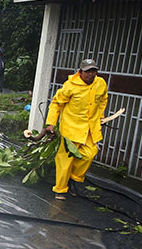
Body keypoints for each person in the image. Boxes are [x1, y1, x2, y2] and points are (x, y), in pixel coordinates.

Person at [44, 58, 108, 200]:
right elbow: (56, 103)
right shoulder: (70, 86)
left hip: (90, 129)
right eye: (88, 71)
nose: (91, 74)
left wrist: (101, 116)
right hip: (71, 129)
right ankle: (60, 189)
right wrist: (51, 123)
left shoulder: (101, 83)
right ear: (81, 72)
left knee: (90, 154)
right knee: (65, 160)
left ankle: (74, 179)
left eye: (94, 71)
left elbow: (103, 99)